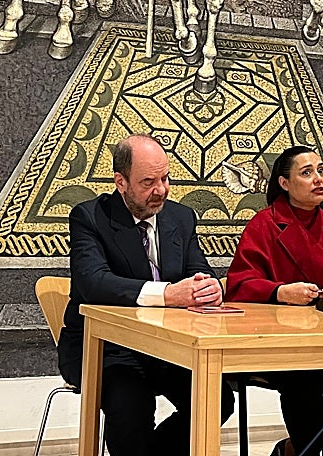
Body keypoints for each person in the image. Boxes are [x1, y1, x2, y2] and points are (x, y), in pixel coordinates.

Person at [57, 134, 235, 456]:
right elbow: (92, 283)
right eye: (149, 182)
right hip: (106, 348)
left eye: (165, 178)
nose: (161, 190)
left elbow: (198, 269)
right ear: (120, 182)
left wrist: (211, 287)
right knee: (131, 406)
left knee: (217, 399)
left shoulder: (180, 217)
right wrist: (168, 294)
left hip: (165, 346)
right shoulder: (90, 217)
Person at [226, 145, 323, 456]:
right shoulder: (264, 224)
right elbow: (238, 284)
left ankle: (293, 450)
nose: (318, 179)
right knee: (302, 382)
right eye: (307, 173)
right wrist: (280, 292)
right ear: (284, 183)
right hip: (277, 343)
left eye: (320, 171)